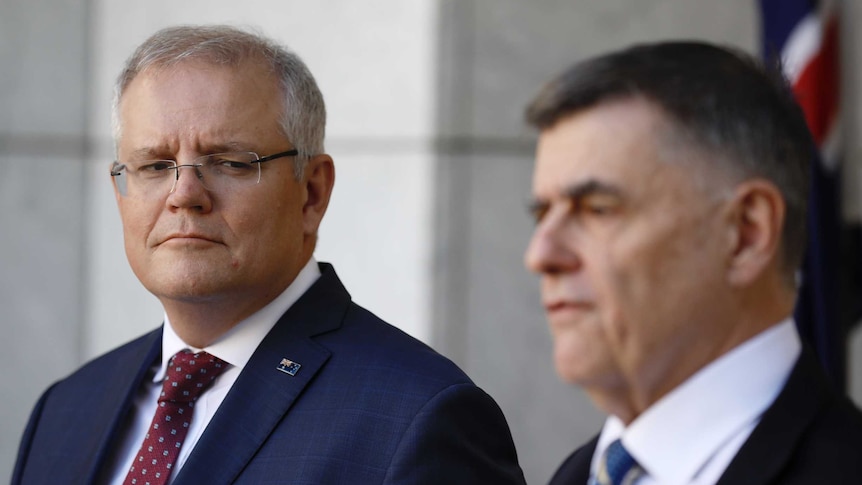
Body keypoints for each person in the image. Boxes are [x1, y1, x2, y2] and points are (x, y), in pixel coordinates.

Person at [13, 25, 525, 485]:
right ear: (119, 189)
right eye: (154, 165)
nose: (184, 193)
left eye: (231, 162)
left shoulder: (418, 417)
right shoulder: (65, 410)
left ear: (312, 193)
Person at [523, 41, 862, 484]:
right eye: (543, 213)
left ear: (746, 234)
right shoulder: (578, 475)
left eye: (597, 209)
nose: (541, 255)